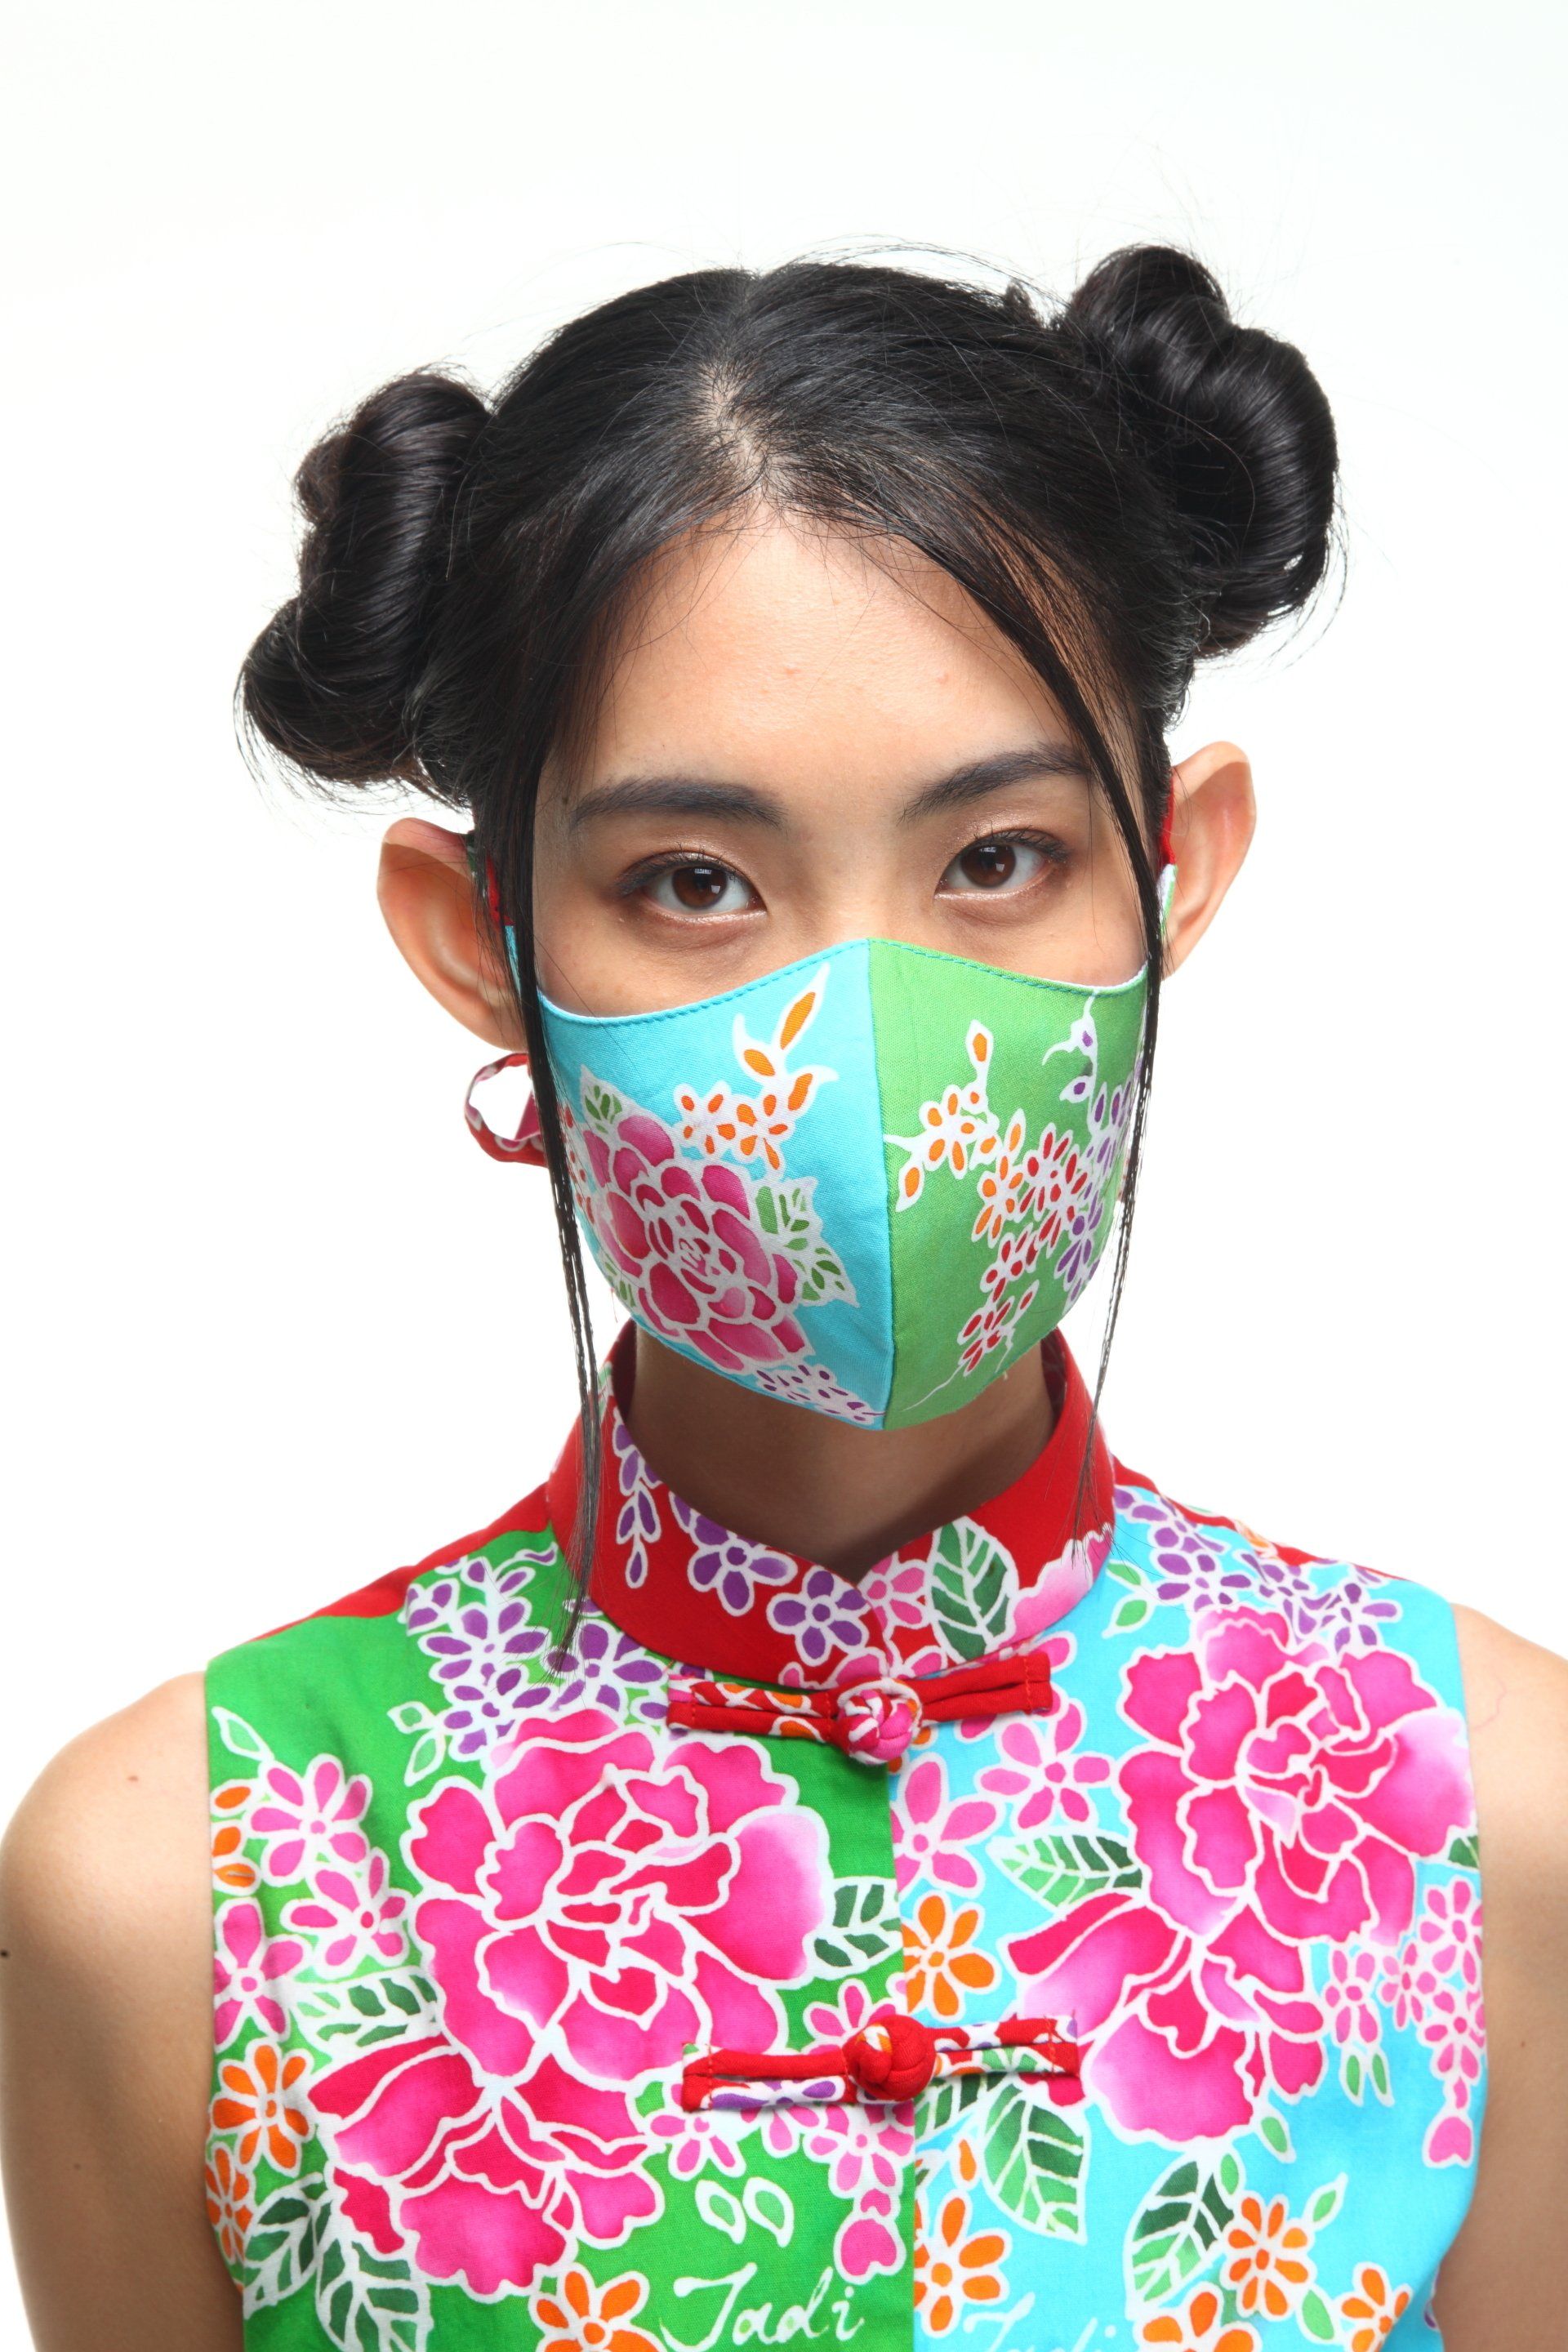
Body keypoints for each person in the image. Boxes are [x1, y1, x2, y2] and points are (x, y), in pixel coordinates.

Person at [2, 246, 1563, 2352]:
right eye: (697, 883)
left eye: (998, 857)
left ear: (1177, 870)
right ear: (481, 938)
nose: (864, 1031)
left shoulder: (1492, 1820)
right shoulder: (177, 1891)